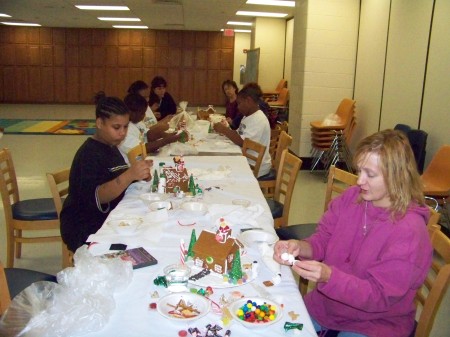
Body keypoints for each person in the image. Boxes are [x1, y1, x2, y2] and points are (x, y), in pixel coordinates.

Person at [273, 129, 432, 337]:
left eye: (370, 175)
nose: (359, 181)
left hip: (375, 322)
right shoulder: (352, 198)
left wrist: (330, 277)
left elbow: (379, 296)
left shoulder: (409, 231)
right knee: (274, 326)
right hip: (328, 306)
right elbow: (323, 239)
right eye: (359, 171)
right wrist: (299, 246)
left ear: (397, 177)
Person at [60, 92, 152, 252]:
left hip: (105, 216)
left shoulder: (110, 146)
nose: (122, 133)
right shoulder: (89, 154)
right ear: (100, 123)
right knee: (140, 243)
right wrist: (129, 175)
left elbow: (117, 175)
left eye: (125, 127)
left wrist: (138, 175)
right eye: (116, 127)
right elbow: (99, 196)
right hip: (84, 227)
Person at [213, 82, 272, 178]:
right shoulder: (247, 116)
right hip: (247, 158)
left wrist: (224, 130)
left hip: (255, 165)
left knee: (222, 172)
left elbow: (243, 142)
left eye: (239, 103)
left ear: (248, 101)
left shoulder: (258, 119)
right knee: (219, 162)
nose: (238, 107)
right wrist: (227, 128)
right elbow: (239, 133)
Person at [119, 93, 181, 162]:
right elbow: (144, 148)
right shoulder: (125, 130)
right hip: (133, 165)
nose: (144, 115)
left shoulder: (137, 122)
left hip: (144, 158)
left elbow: (148, 135)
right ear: (130, 112)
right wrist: (167, 140)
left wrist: (165, 135)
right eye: (142, 113)